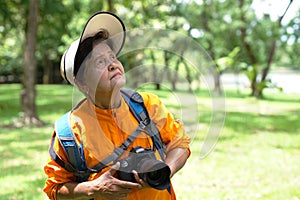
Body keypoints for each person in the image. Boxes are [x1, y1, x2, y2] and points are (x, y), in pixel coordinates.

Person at [43, 11, 190, 200]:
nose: (112, 65)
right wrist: (93, 188)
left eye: (112, 57)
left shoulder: (148, 106)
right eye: (100, 62)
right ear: (82, 83)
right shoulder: (70, 132)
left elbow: (180, 143)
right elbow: (55, 189)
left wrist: (165, 171)